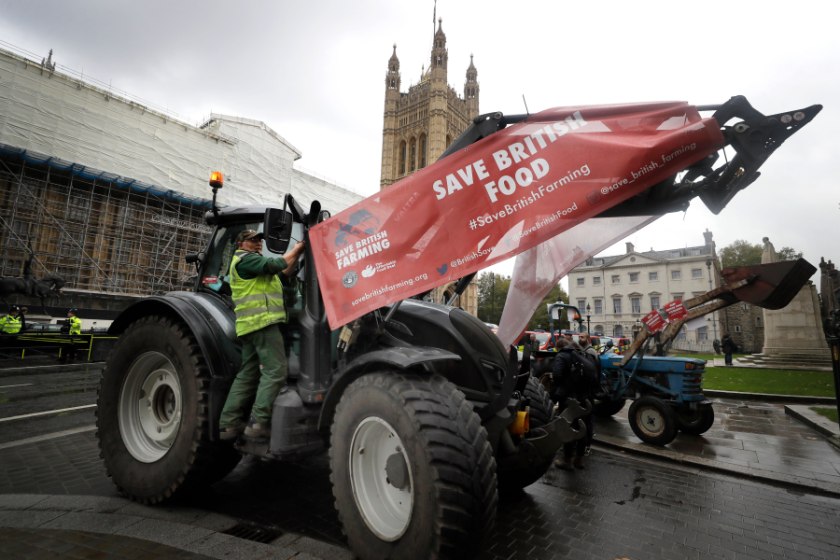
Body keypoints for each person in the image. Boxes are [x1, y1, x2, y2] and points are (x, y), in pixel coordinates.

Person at [219, 229, 305, 442]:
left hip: (250, 327)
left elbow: (282, 273)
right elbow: (275, 265)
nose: (258, 243)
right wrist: (297, 248)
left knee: (248, 374)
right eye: (252, 240)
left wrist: (297, 256)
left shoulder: (253, 265)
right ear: (241, 244)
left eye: (259, 240)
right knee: (276, 370)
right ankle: (258, 423)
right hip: (262, 324)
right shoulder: (246, 260)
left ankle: (228, 425)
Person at [551, 338, 598, 470]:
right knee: (582, 428)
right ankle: (579, 459)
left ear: (559, 348)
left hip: (570, 399)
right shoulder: (585, 355)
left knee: (568, 427)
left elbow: (557, 375)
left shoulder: (562, 356)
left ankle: (567, 460)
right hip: (586, 398)